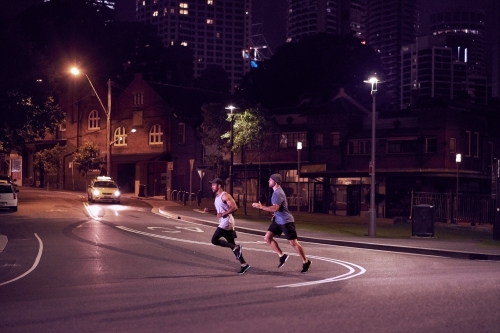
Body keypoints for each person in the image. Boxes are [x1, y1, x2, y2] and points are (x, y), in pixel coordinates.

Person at [252, 173, 311, 273]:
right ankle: (282, 256)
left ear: (275, 181)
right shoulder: (276, 192)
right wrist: (275, 215)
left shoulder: (278, 193)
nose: (268, 181)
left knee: (293, 242)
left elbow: (275, 207)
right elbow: (277, 209)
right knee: (267, 238)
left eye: (270, 180)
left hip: (286, 221)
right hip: (278, 220)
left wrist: (260, 207)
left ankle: (305, 261)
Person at [204, 178, 250, 275]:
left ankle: (236, 247)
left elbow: (234, 207)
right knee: (231, 244)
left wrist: (223, 213)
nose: (211, 186)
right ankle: (244, 264)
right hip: (224, 221)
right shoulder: (217, 198)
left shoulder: (225, 195)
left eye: (213, 184)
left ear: (219, 185)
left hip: (227, 222)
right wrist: (210, 211)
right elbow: (219, 214)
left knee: (214, 240)